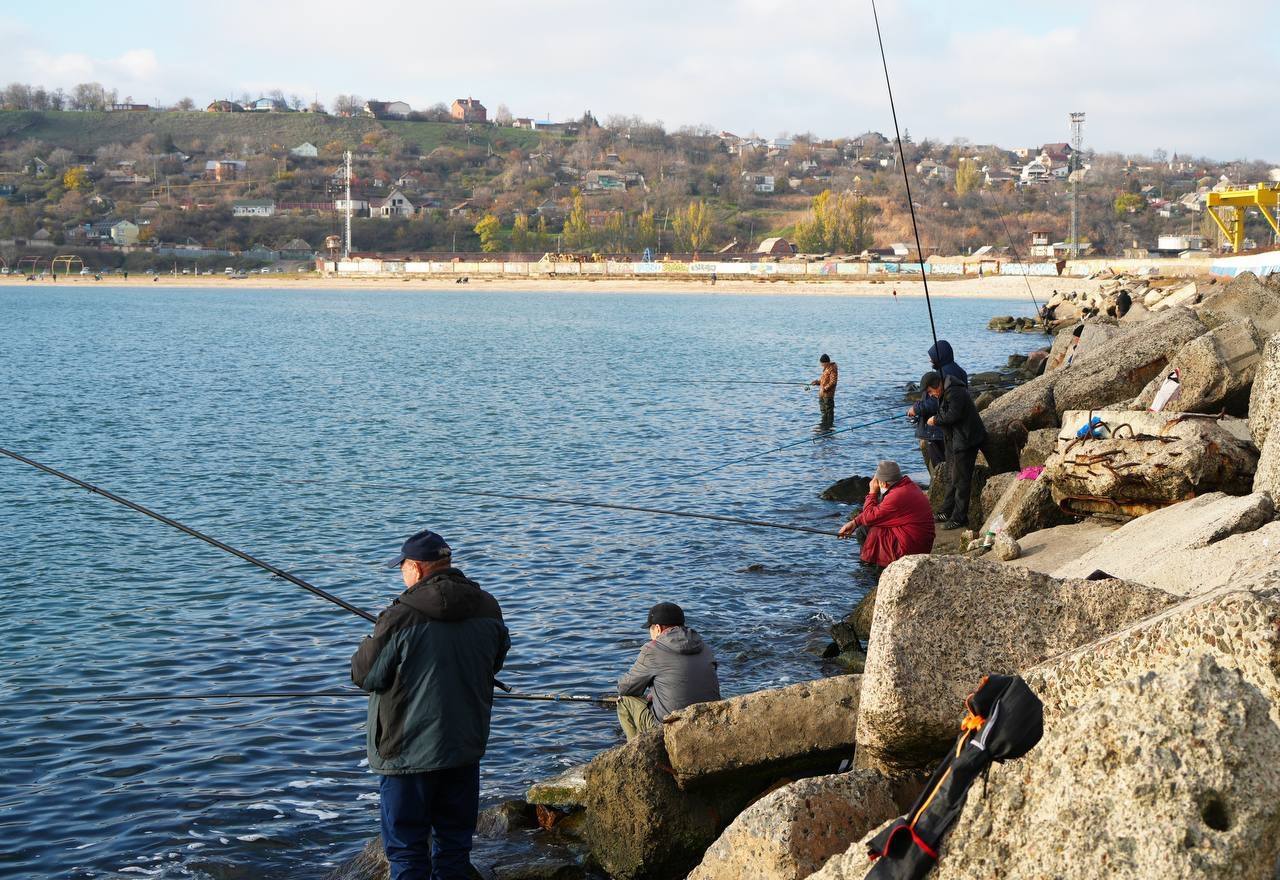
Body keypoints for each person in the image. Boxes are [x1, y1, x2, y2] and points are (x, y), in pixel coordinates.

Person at [351, 529, 510, 880]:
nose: (402, 574)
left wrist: (371, 638)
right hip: (463, 747)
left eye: (403, 567)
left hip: (406, 752)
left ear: (418, 569)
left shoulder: (399, 615)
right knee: (454, 847)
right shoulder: (488, 606)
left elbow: (365, 674)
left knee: (407, 850)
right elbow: (494, 661)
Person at [616, 602, 720, 740]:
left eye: (650, 629)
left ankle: (637, 749)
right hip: (707, 720)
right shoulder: (704, 647)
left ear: (657, 628)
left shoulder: (652, 649)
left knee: (624, 701)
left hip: (671, 728)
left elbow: (625, 688)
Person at [838, 460, 935, 567]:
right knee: (865, 529)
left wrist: (872, 492)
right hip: (918, 541)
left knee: (871, 530)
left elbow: (869, 517)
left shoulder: (897, 496)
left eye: (876, 481)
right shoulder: (907, 486)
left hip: (911, 548)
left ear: (883, 483)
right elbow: (878, 512)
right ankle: (869, 563)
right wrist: (854, 522)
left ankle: (871, 569)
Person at [926, 372, 988, 530]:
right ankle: (946, 511)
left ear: (937, 385)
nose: (931, 395)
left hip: (966, 441)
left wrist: (935, 420)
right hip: (954, 440)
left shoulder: (955, 391)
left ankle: (959, 518)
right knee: (951, 476)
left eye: (930, 391)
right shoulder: (946, 391)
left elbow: (954, 415)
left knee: (961, 480)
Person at [907, 370, 945, 477]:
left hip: (936, 433)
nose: (930, 360)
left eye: (929, 391)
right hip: (936, 432)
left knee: (940, 467)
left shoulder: (942, 379)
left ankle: (941, 487)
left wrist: (916, 408)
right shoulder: (944, 375)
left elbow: (935, 402)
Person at [810, 354, 839, 428]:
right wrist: (817, 382)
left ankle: (829, 427)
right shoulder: (826, 368)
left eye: (822, 363)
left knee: (829, 412)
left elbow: (833, 382)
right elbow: (824, 380)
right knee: (823, 412)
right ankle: (824, 426)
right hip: (822, 394)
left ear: (826, 362)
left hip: (828, 395)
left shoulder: (832, 369)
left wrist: (825, 388)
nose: (821, 365)